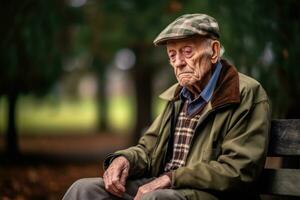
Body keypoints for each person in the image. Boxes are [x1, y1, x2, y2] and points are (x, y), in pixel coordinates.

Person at [62, 13, 270, 200]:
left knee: (155, 199)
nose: (178, 62)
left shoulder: (244, 93)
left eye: (187, 52)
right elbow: (148, 150)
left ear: (214, 51)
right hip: (165, 189)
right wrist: (124, 160)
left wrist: (172, 178)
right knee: (84, 190)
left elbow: (238, 170)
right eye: (172, 55)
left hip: (209, 193)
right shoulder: (179, 96)